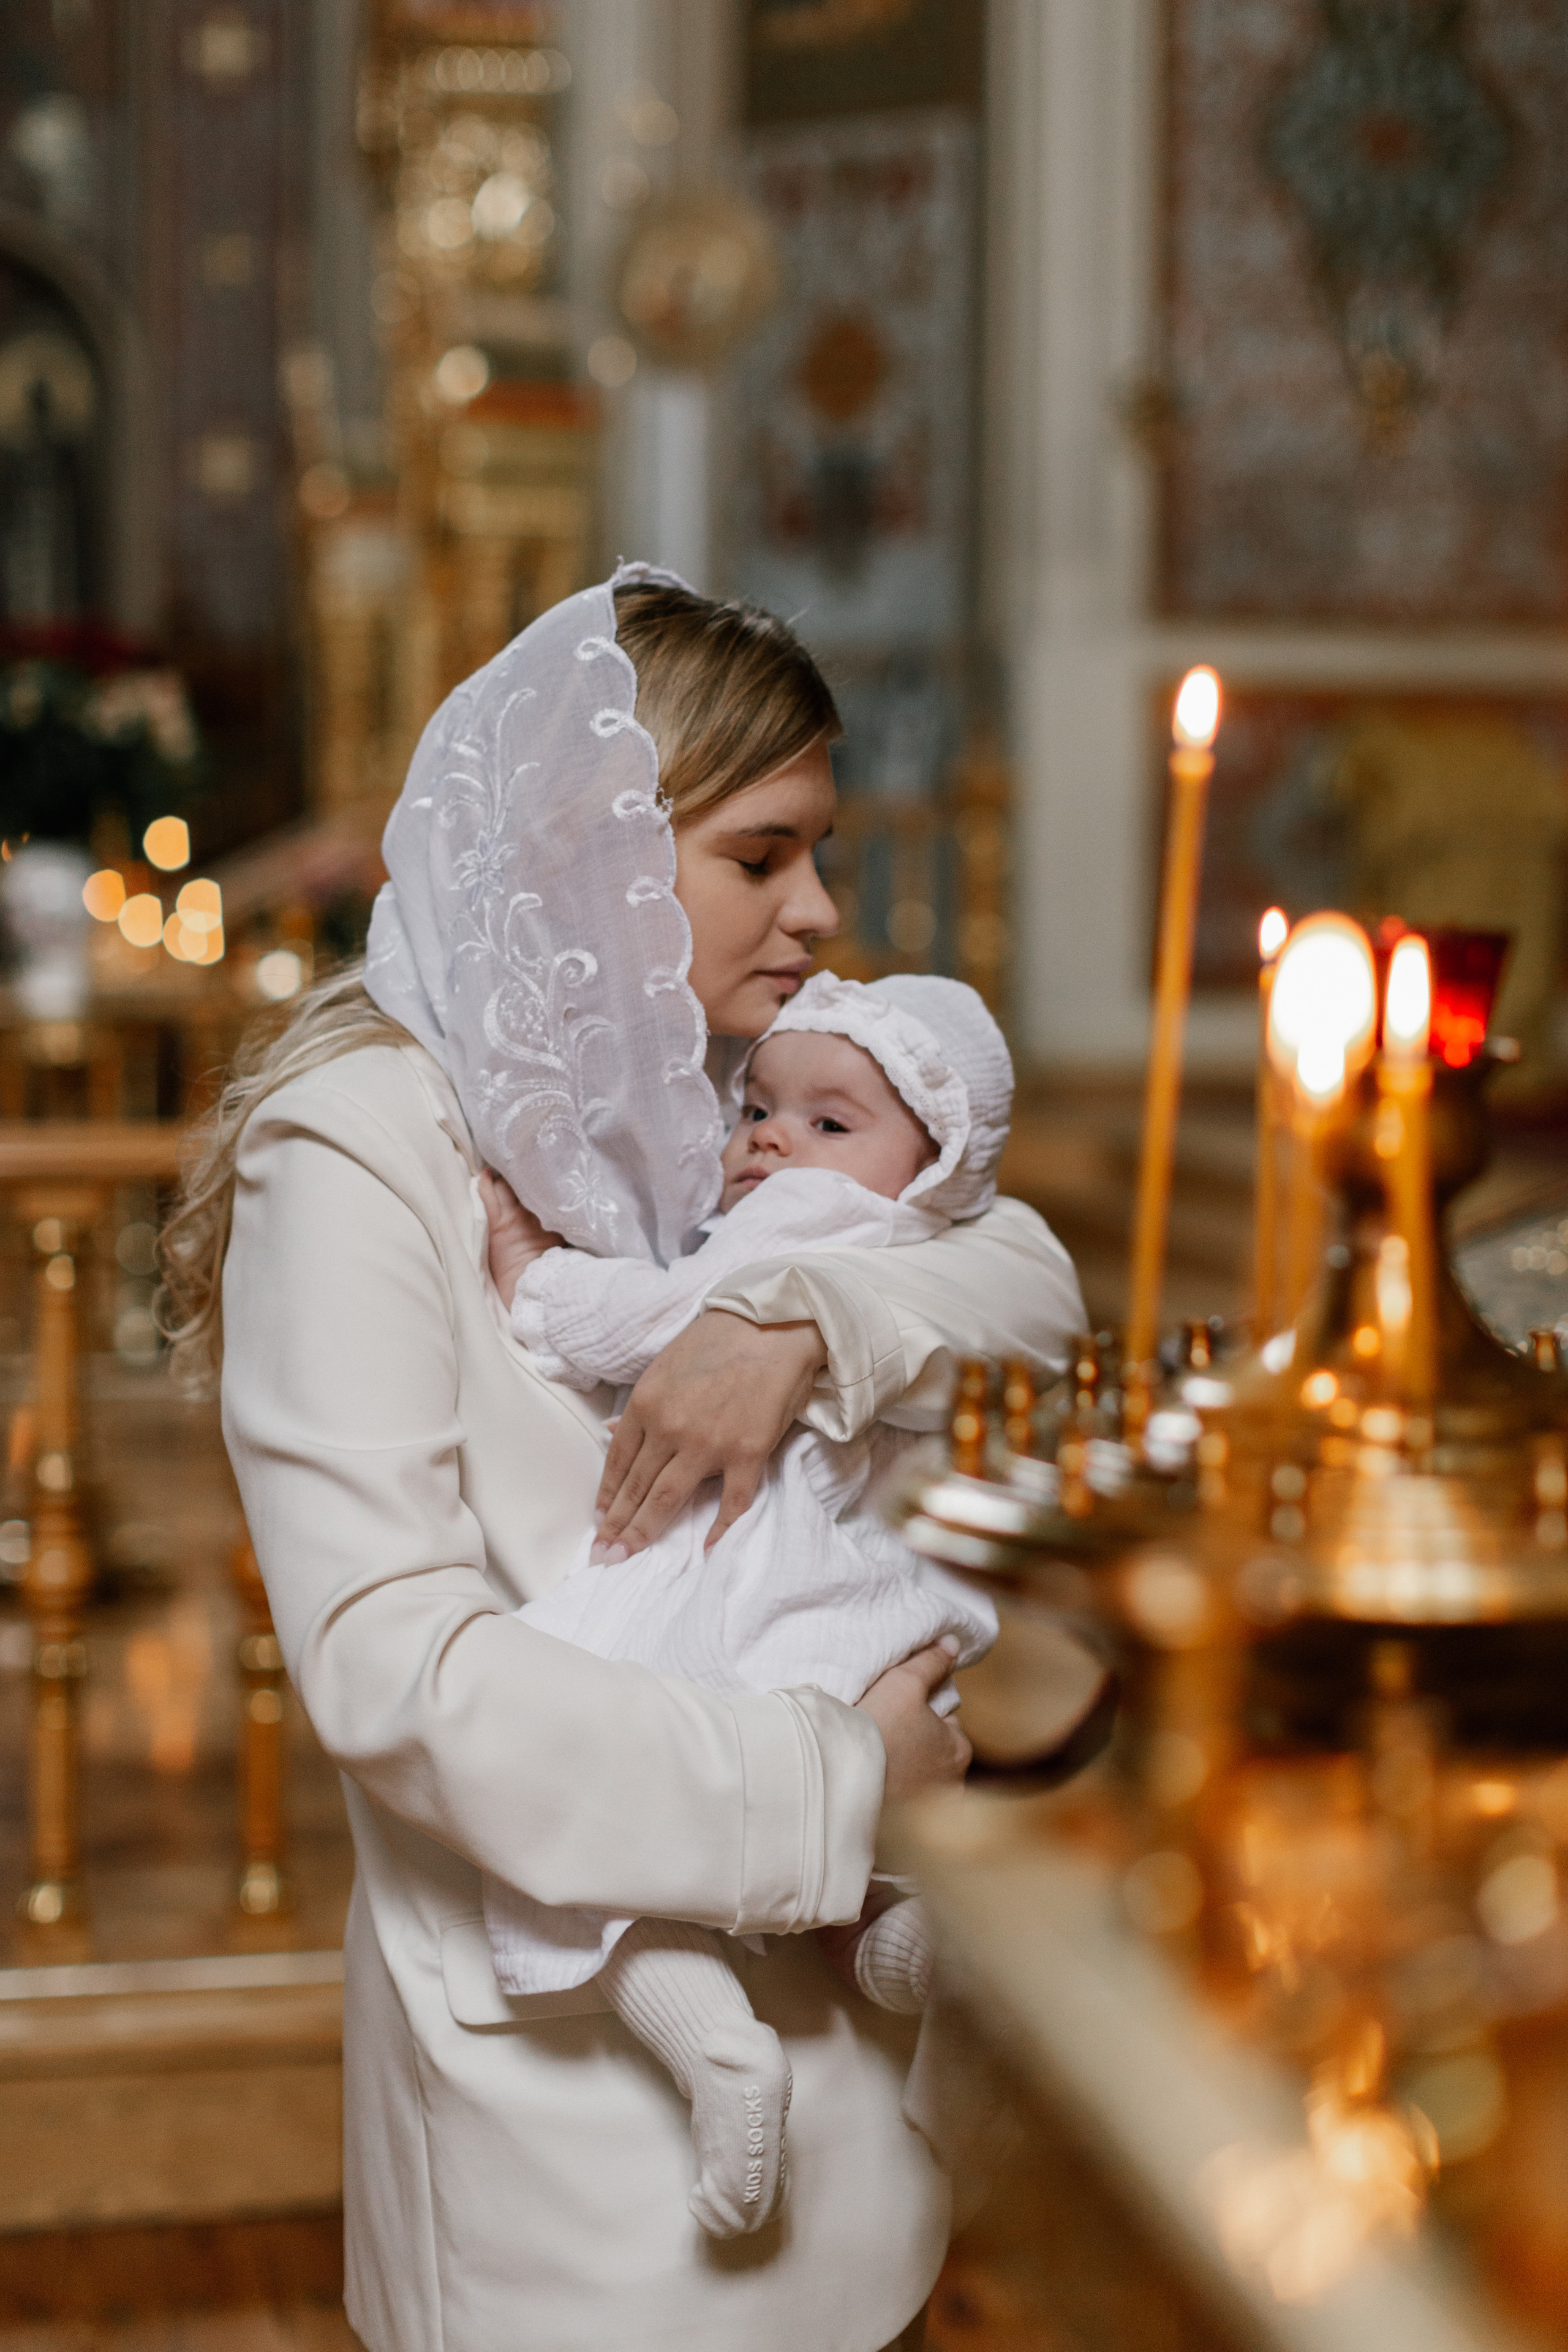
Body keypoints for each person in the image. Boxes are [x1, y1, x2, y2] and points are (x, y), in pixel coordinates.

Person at [162, 564, 1085, 2352]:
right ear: (594, 844)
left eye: (817, 854)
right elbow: (394, 1673)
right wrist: (839, 1780)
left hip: (847, 2108)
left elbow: (1037, 1277)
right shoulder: (355, 1141)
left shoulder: (722, 1101)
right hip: (574, 2143)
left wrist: (796, 1323)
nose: (821, 913)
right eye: (762, 858)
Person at [481, 970, 1029, 2240]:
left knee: (572, 1816)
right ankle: (902, 1949)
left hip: (753, 1585)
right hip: (864, 1609)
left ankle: (714, 2049)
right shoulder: (907, 1249)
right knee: (827, 1848)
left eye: (832, 1124)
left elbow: (658, 1325)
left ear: (928, 1168)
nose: (775, 1141)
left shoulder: (810, 1236)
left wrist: (531, 1276)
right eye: (760, 1110)